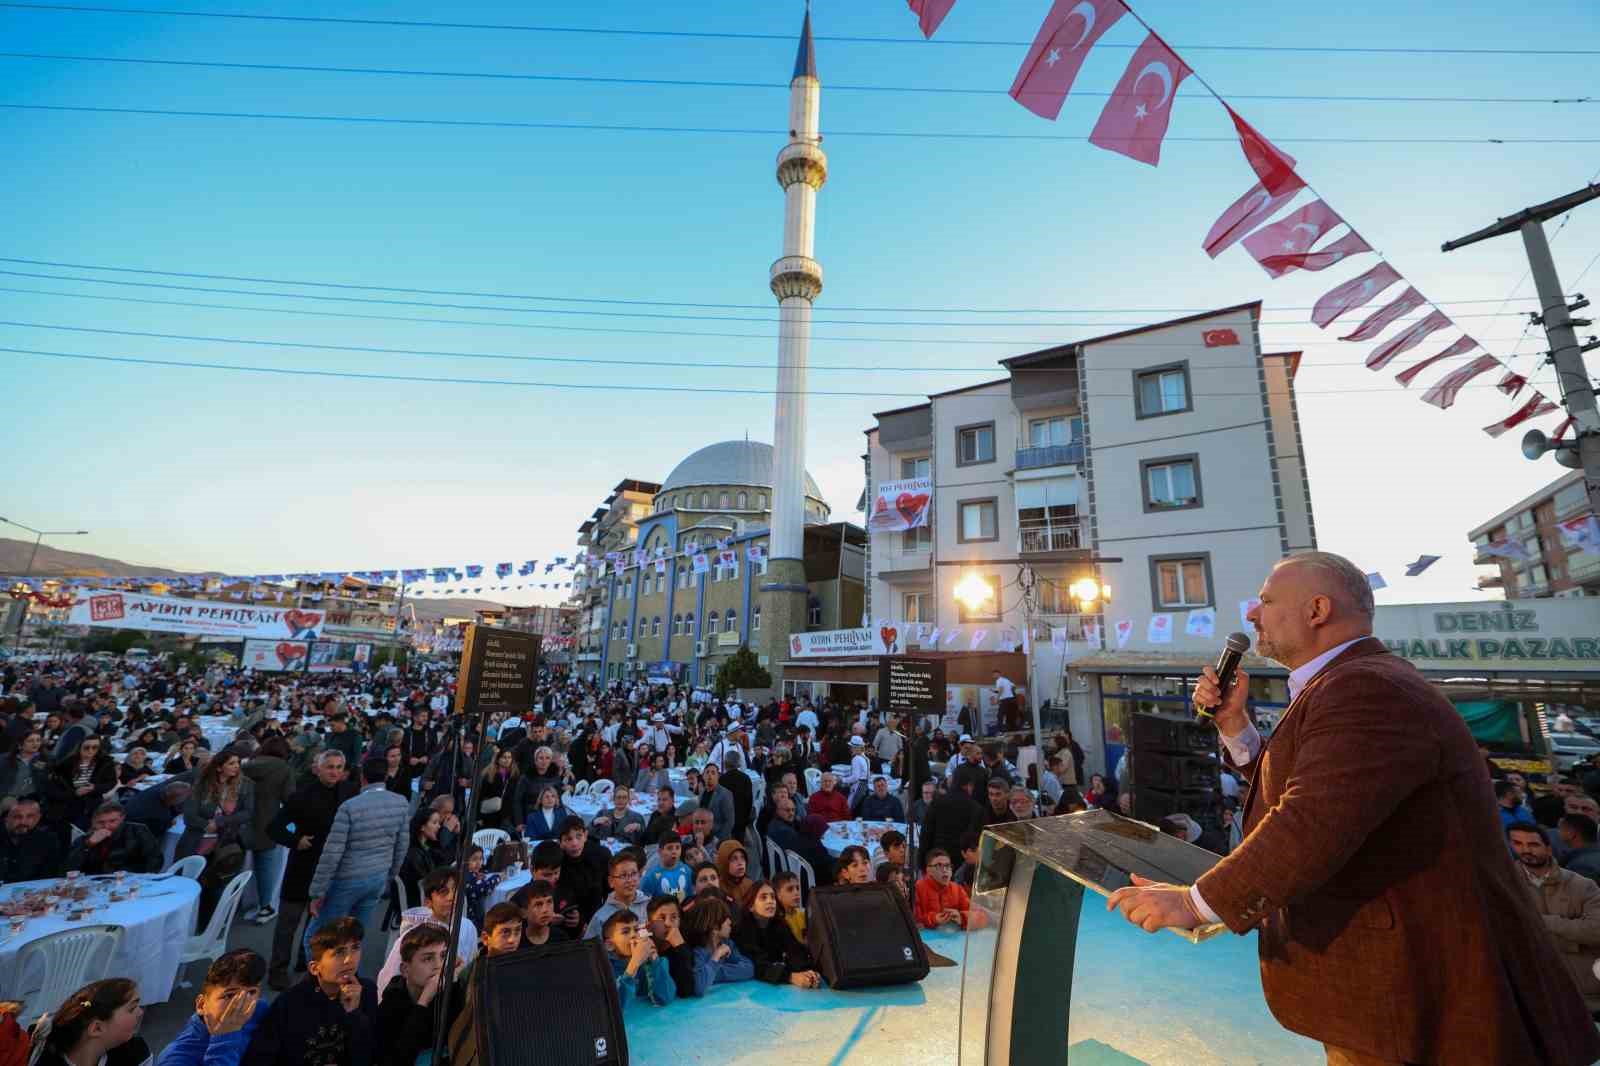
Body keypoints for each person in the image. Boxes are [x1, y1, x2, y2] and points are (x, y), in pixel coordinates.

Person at [1104, 551, 1600, 1065]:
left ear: (1317, 610)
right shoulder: (1345, 683)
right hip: (1400, 997)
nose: (1252, 615)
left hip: (1417, 1003)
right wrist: (1235, 728)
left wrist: (1195, 902)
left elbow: (1313, 821)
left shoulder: (1366, 688)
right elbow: (1325, 791)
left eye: (1268, 601)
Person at [265, 750, 352, 991]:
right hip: (302, 867)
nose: (334, 771)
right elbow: (274, 828)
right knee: (288, 924)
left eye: (339, 766)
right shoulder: (302, 796)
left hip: (332, 870)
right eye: (330, 767)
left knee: (319, 925)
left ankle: (307, 964)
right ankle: (278, 970)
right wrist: (296, 840)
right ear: (318, 769)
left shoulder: (348, 792)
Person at [304, 759, 409, 956]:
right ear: (386, 776)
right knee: (355, 936)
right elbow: (402, 845)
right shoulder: (400, 803)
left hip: (347, 879)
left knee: (317, 936)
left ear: (362, 778)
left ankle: (319, 980)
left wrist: (317, 891)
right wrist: (389, 875)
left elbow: (332, 852)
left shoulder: (350, 807)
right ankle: (347, 975)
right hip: (377, 876)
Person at [242, 917, 378, 1066]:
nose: (349, 959)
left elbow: (370, 1054)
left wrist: (354, 1015)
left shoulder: (366, 991)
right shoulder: (289, 1003)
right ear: (314, 968)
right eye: (339, 952)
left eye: (356, 948)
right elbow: (261, 1057)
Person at [1509, 823, 1600, 1014]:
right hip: (1535, 993)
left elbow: (1595, 931)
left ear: (1549, 847)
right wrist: (1573, 939)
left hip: (1587, 993)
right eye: (1517, 843)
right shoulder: (1506, 885)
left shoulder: (1583, 886)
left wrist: (1537, 921)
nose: (1525, 850)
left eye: (1533, 844)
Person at [156, 949, 266, 1066]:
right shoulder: (176, 1057)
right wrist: (225, 1039)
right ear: (201, 1004)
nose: (241, 1004)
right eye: (230, 995)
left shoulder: (259, 1009)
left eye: (251, 992)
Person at [375, 867, 478, 992]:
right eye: (443, 892)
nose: (452, 897)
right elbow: (388, 978)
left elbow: (471, 966)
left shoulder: (468, 927)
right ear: (428, 902)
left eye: (456, 890)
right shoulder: (414, 936)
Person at [30, 978, 150, 1066]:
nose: (140, 1012)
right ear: (97, 1028)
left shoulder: (135, 1053)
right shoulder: (46, 1061)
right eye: (132, 1009)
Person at [375, 925, 448, 1066]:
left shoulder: (451, 994)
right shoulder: (391, 1005)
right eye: (428, 959)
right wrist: (424, 1001)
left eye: (443, 956)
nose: (439, 965)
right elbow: (397, 1059)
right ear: (405, 969)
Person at [241, 736, 294, 924]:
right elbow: (289, 799)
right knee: (267, 867)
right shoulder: (283, 769)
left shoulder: (245, 765)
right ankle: (265, 906)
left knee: (235, 866)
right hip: (267, 822)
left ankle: (228, 908)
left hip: (239, 823)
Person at [734, 879, 821, 988]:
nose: (770, 901)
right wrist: (791, 977)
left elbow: (796, 952)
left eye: (772, 897)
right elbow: (757, 966)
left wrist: (809, 972)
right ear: (751, 906)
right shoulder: (742, 928)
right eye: (763, 897)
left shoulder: (779, 924)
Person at [176, 749, 256, 861]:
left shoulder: (246, 784)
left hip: (228, 841)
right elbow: (189, 815)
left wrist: (220, 822)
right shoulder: (202, 784)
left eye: (238, 762)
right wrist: (206, 824)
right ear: (219, 768)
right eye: (231, 763)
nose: (237, 766)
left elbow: (248, 812)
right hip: (197, 837)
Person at [681, 892, 755, 995]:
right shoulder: (698, 952)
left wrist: (714, 972)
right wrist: (716, 957)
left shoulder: (727, 944)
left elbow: (749, 969)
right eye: (725, 918)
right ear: (714, 927)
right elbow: (699, 987)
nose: (730, 922)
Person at [603, 909, 676, 1009]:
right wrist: (634, 964)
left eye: (636, 929)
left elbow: (666, 998)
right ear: (610, 945)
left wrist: (655, 961)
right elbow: (613, 1008)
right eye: (625, 932)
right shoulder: (604, 970)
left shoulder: (652, 962)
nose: (634, 935)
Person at [65, 801, 163, 875]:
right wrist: (88, 845)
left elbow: (155, 858)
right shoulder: (85, 840)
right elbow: (69, 868)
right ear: (93, 822)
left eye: (112, 821)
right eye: (101, 822)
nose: (106, 826)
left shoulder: (138, 831)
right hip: (97, 884)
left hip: (131, 880)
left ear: (122, 818)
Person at [45, 736, 119, 834]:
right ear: (79, 747)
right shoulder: (66, 764)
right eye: (86, 747)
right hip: (68, 805)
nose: (90, 750)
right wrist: (74, 793)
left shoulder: (105, 763)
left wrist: (95, 788)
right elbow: (55, 789)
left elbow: (111, 782)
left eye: (95, 747)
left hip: (91, 804)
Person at [556, 816, 611, 925]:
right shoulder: (558, 860)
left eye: (579, 836)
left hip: (598, 916)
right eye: (568, 839)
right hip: (567, 919)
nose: (575, 843)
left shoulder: (601, 854)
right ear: (561, 843)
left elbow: (609, 891)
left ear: (585, 836)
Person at [583, 851, 651, 939]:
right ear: (611, 881)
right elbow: (590, 950)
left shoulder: (649, 906)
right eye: (623, 875)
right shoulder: (601, 918)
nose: (630, 880)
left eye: (634, 874)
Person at [914, 848, 984, 930]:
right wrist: (933, 919)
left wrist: (962, 917)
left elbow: (981, 916)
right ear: (928, 870)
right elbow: (913, 920)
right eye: (939, 866)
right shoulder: (917, 888)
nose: (945, 870)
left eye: (947, 866)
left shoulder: (957, 889)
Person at [0, 796, 62, 882]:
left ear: (38, 818)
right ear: (5, 818)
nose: (23, 822)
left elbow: (50, 876)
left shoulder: (47, 840)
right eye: (17, 817)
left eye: (30, 816)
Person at [646, 895, 696, 999]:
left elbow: (686, 991)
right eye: (661, 918)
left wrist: (680, 947)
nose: (668, 923)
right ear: (649, 925)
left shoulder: (683, 946)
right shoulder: (644, 948)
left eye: (674, 917)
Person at [397, 806, 446, 907]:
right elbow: (429, 880)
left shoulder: (427, 846)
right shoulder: (414, 853)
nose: (439, 826)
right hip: (417, 902)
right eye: (434, 823)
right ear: (422, 827)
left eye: (439, 823)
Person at [474, 748, 520, 832]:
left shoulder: (514, 775)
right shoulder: (489, 774)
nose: (507, 760)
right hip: (490, 814)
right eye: (504, 757)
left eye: (509, 757)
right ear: (497, 759)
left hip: (506, 815)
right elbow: (479, 796)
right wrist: (478, 817)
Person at [512, 879, 567, 949]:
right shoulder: (516, 943)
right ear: (524, 913)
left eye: (549, 902)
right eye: (538, 904)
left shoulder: (561, 938)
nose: (545, 910)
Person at [640, 831, 692, 900]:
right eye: (669, 848)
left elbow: (690, 897)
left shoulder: (687, 870)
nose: (674, 852)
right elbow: (645, 903)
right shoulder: (650, 876)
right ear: (660, 851)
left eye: (677, 847)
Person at [698, 764, 736, 842]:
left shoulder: (725, 794)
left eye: (713, 773)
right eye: (707, 772)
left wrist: (719, 840)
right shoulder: (702, 793)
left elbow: (730, 821)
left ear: (718, 776)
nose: (709, 775)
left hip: (718, 838)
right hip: (704, 837)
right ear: (703, 776)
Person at [715, 839, 755, 911]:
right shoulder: (717, 887)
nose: (740, 863)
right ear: (724, 863)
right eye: (734, 858)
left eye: (743, 857)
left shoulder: (749, 884)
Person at [1559, 813, 1600, 883]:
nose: (1558, 832)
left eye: (1560, 829)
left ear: (1571, 833)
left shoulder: (1580, 866)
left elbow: (1576, 893)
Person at [992, 669, 1019, 734]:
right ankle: (1013, 729)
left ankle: (1000, 730)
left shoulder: (999, 680)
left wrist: (996, 699)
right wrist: (1011, 693)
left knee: (1000, 715)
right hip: (1011, 699)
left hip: (1005, 700)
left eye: (994, 674)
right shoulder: (1006, 680)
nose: (993, 676)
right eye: (993, 675)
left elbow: (1001, 690)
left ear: (998, 674)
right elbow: (1014, 686)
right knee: (1010, 715)